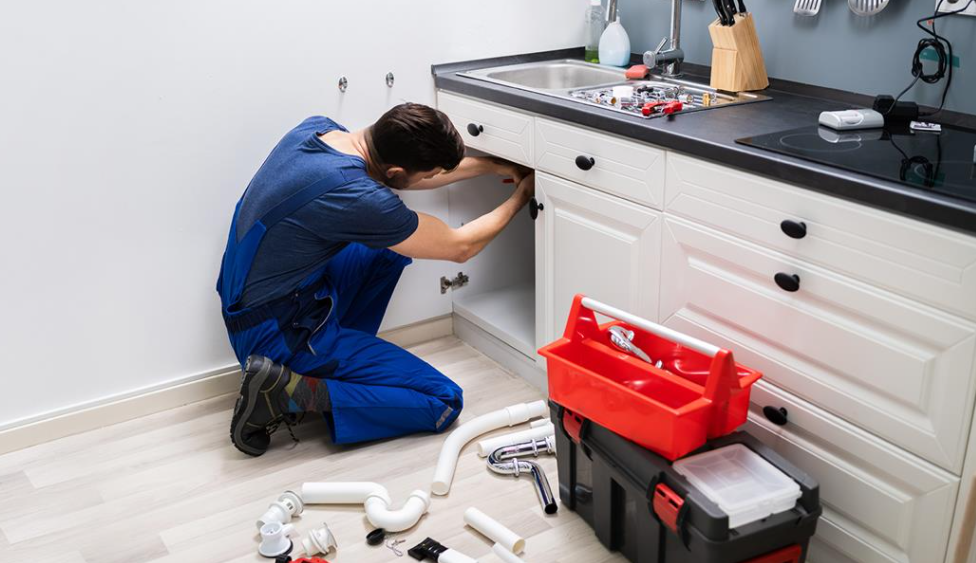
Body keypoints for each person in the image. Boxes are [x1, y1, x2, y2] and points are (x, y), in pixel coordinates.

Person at [217, 103, 535, 456]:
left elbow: (403, 180)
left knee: (385, 250)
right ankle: (290, 392)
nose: (427, 182)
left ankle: (332, 368)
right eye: (425, 177)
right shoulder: (356, 196)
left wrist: (493, 165)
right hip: (276, 334)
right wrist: (524, 194)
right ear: (396, 170)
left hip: (257, 302)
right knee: (442, 400)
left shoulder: (318, 131)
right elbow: (461, 247)